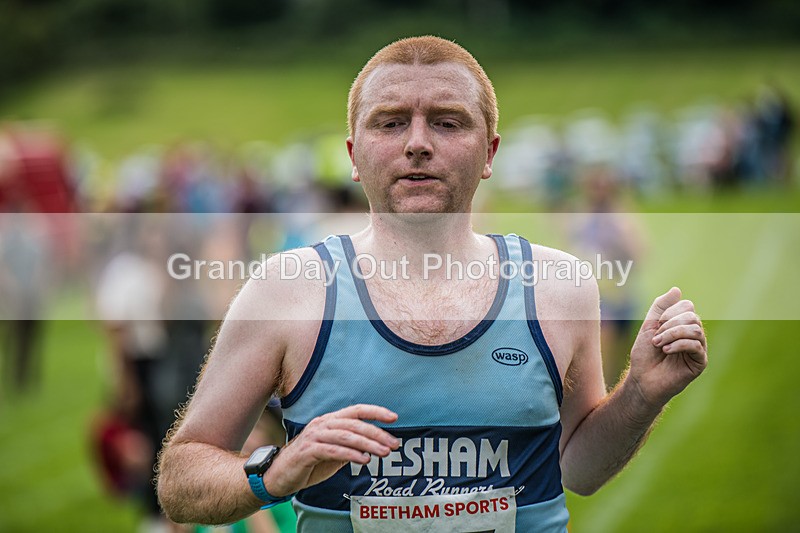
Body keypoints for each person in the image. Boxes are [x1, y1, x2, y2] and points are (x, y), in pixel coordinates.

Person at [157, 36, 708, 532]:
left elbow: (579, 469)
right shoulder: (286, 291)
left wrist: (640, 393)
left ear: (490, 152)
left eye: (447, 122)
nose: (418, 143)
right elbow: (181, 479)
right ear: (354, 155)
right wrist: (275, 473)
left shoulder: (559, 285)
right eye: (391, 122)